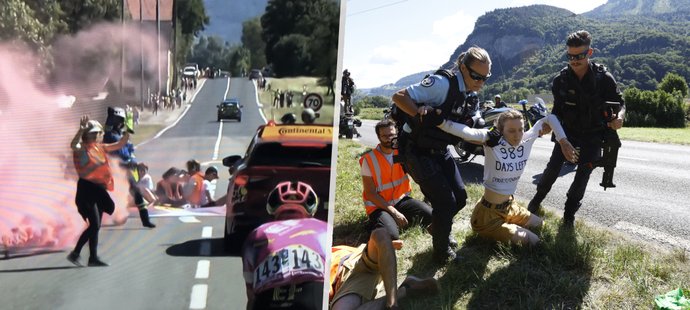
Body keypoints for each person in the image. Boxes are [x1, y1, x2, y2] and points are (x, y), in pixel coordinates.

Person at [391, 46, 491, 263]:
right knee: (445, 202)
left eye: (485, 78)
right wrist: (418, 112)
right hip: (416, 150)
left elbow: (470, 126)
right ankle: (441, 253)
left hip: (440, 149)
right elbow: (398, 97)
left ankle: (438, 228)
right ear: (463, 68)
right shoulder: (442, 84)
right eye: (476, 76)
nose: (480, 83)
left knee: (460, 199)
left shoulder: (471, 96)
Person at [421, 108, 577, 245]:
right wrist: (441, 122)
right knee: (534, 242)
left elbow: (551, 118)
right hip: (488, 216)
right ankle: (491, 229)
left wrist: (563, 141)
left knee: (541, 226)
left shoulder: (527, 137)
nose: (517, 136)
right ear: (501, 130)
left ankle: (509, 224)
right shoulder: (492, 141)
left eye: (520, 129)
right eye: (511, 131)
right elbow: (467, 132)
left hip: (510, 207)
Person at [527, 30, 625, 227]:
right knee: (552, 170)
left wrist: (619, 117)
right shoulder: (560, 80)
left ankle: (568, 217)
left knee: (582, 176)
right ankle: (535, 204)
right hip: (568, 133)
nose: (574, 60)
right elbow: (556, 111)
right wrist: (548, 125)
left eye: (579, 56)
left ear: (590, 53)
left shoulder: (604, 78)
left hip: (593, 135)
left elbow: (621, 103)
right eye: (570, 56)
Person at [242, 181, 328, 310]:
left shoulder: (258, 233)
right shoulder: (324, 228)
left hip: (268, 297)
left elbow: (251, 293)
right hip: (314, 293)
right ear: (312, 207)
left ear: (272, 207)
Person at [67, 116, 130, 267]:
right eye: (93, 133)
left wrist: (129, 129)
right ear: (87, 134)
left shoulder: (99, 147)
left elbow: (120, 143)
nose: (96, 135)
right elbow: (73, 145)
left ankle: (92, 258)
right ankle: (76, 253)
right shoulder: (82, 148)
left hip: (99, 189)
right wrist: (81, 129)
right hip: (87, 189)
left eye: (97, 133)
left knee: (96, 225)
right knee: (94, 225)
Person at [329, 228, 440, 310]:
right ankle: (405, 290)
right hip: (343, 285)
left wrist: (384, 248)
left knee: (380, 234)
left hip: (352, 260)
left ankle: (392, 305)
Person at [360, 119, 433, 241]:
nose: (389, 139)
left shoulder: (402, 153)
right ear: (378, 137)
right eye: (384, 136)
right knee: (392, 236)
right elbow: (370, 193)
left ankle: (391, 221)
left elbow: (418, 175)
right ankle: (375, 224)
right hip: (379, 206)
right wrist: (394, 212)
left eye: (392, 135)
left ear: (396, 134)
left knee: (431, 216)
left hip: (401, 200)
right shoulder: (368, 159)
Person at [103, 106, 155, 228]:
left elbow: (129, 150)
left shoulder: (120, 134)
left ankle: (145, 220)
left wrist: (134, 163)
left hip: (128, 170)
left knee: (137, 195)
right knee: (113, 195)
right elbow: (114, 155)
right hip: (116, 171)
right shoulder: (109, 135)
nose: (122, 123)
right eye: (120, 120)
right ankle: (112, 217)